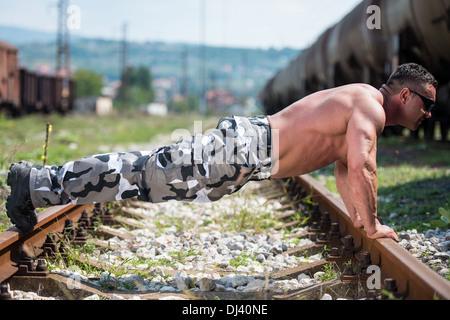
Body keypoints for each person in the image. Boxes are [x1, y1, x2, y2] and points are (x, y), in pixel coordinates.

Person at [6, 63, 437, 242]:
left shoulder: (361, 102)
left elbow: (347, 169)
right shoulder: (370, 107)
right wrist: (376, 223)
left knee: (142, 178)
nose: (429, 112)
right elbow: (364, 164)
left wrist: (362, 220)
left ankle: (39, 185)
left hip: (243, 155)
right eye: (427, 103)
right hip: (243, 150)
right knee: (139, 175)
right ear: (405, 94)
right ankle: (36, 184)